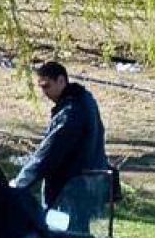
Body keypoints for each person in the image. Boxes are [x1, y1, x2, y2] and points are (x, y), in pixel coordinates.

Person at [12, 61, 110, 206]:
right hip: (87, 184)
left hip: (69, 190)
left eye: (47, 86)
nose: (44, 93)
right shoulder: (86, 101)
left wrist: (20, 183)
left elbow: (49, 152)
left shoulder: (70, 112)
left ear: (61, 81)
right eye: (41, 87)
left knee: (63, 227)